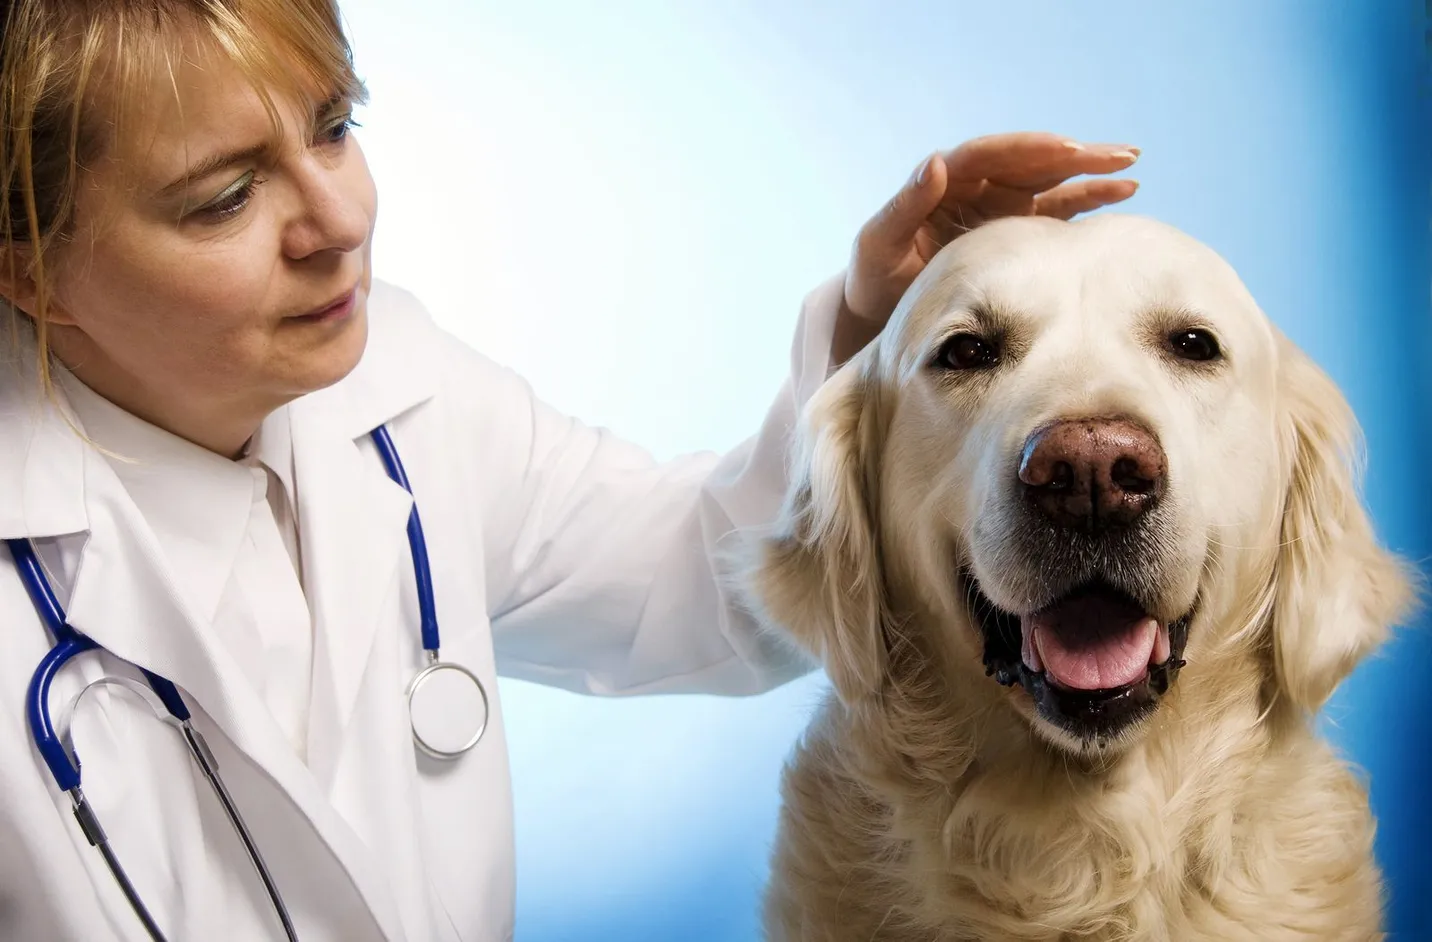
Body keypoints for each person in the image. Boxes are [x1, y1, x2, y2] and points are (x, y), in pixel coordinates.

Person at [0, 1, 1139, 940]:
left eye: (334, 125)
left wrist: (873, 341)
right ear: (32, 271)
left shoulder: (398, 385)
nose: (342, 217)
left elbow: (707, 585)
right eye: (228, 196)